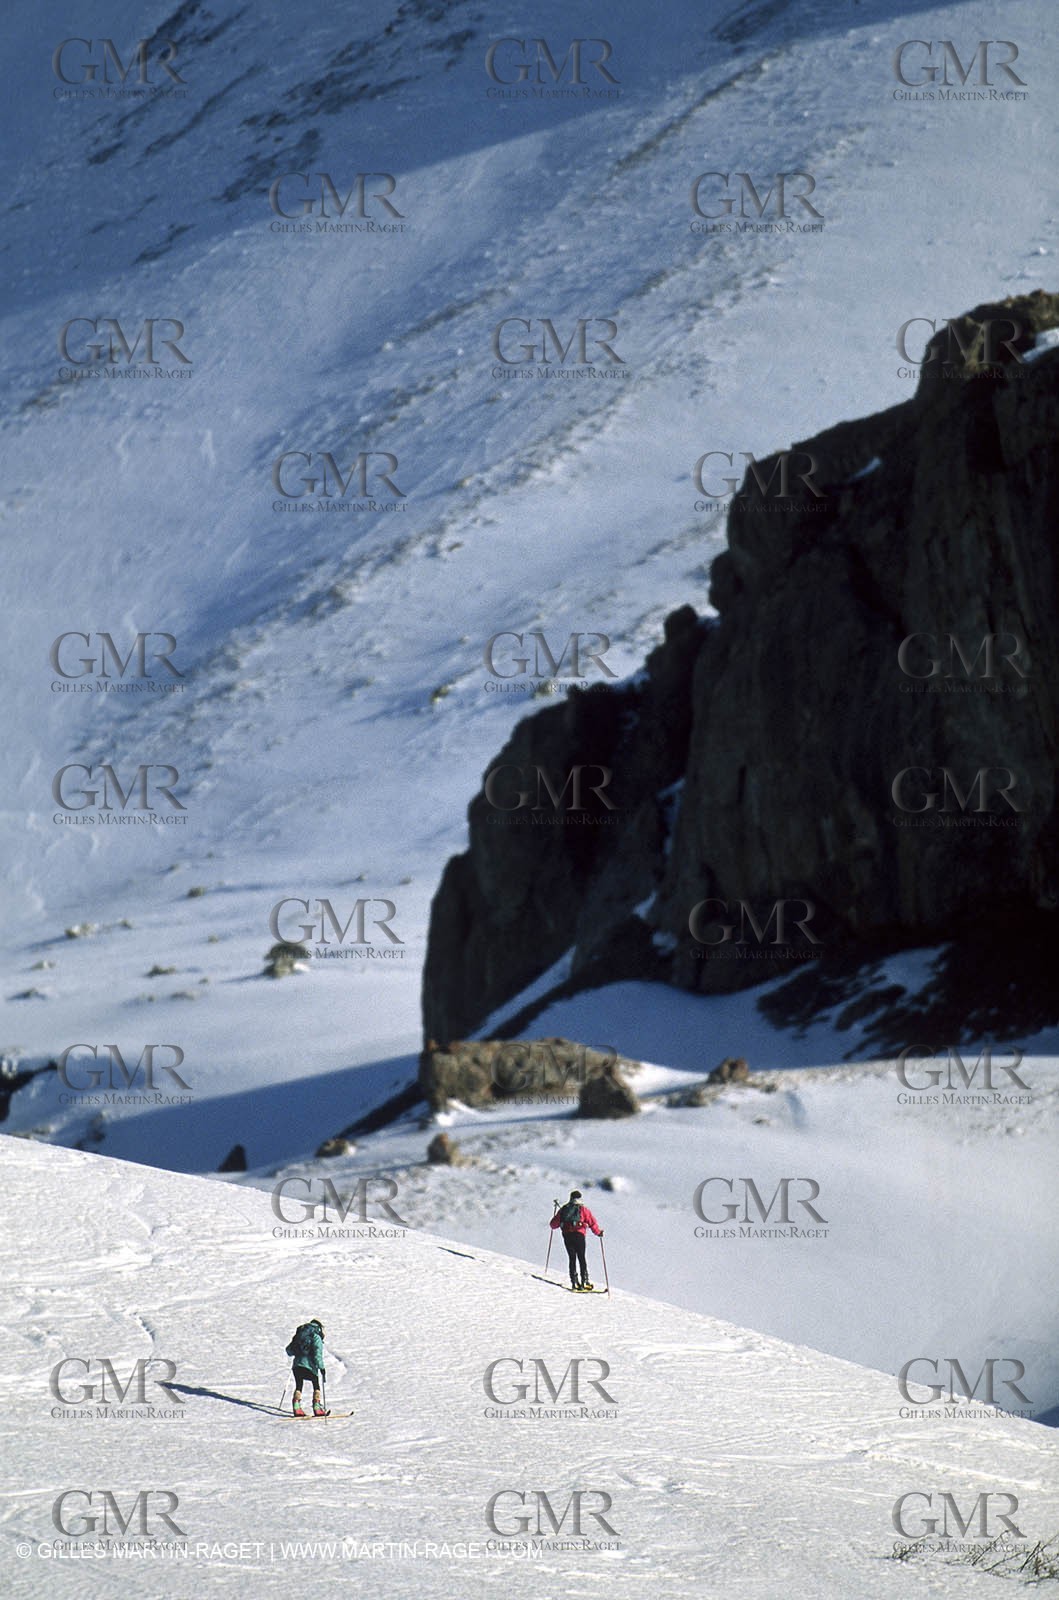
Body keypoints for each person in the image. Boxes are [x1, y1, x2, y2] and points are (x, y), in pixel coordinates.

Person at [550, 1189, 603, 1290]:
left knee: (572, 1258)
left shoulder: (564, 1209)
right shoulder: (583, 1209)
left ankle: (574, 1282)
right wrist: (598, 1233)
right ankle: (585, 1281)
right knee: (581, 1257)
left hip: (567, 1235)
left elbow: (553, 1225)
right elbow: (592, 1222)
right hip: (579, 1235)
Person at [285, 1318, 329, 1416]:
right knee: (316, 1385)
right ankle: (317, 1408)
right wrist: (321, 1367)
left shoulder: (300, 1335)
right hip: (310, 1366)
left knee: (299, 1385)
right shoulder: (316, 1336)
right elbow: (317, 1354)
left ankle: (297, 1408)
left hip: (297, 1366)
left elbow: (289, 1350)